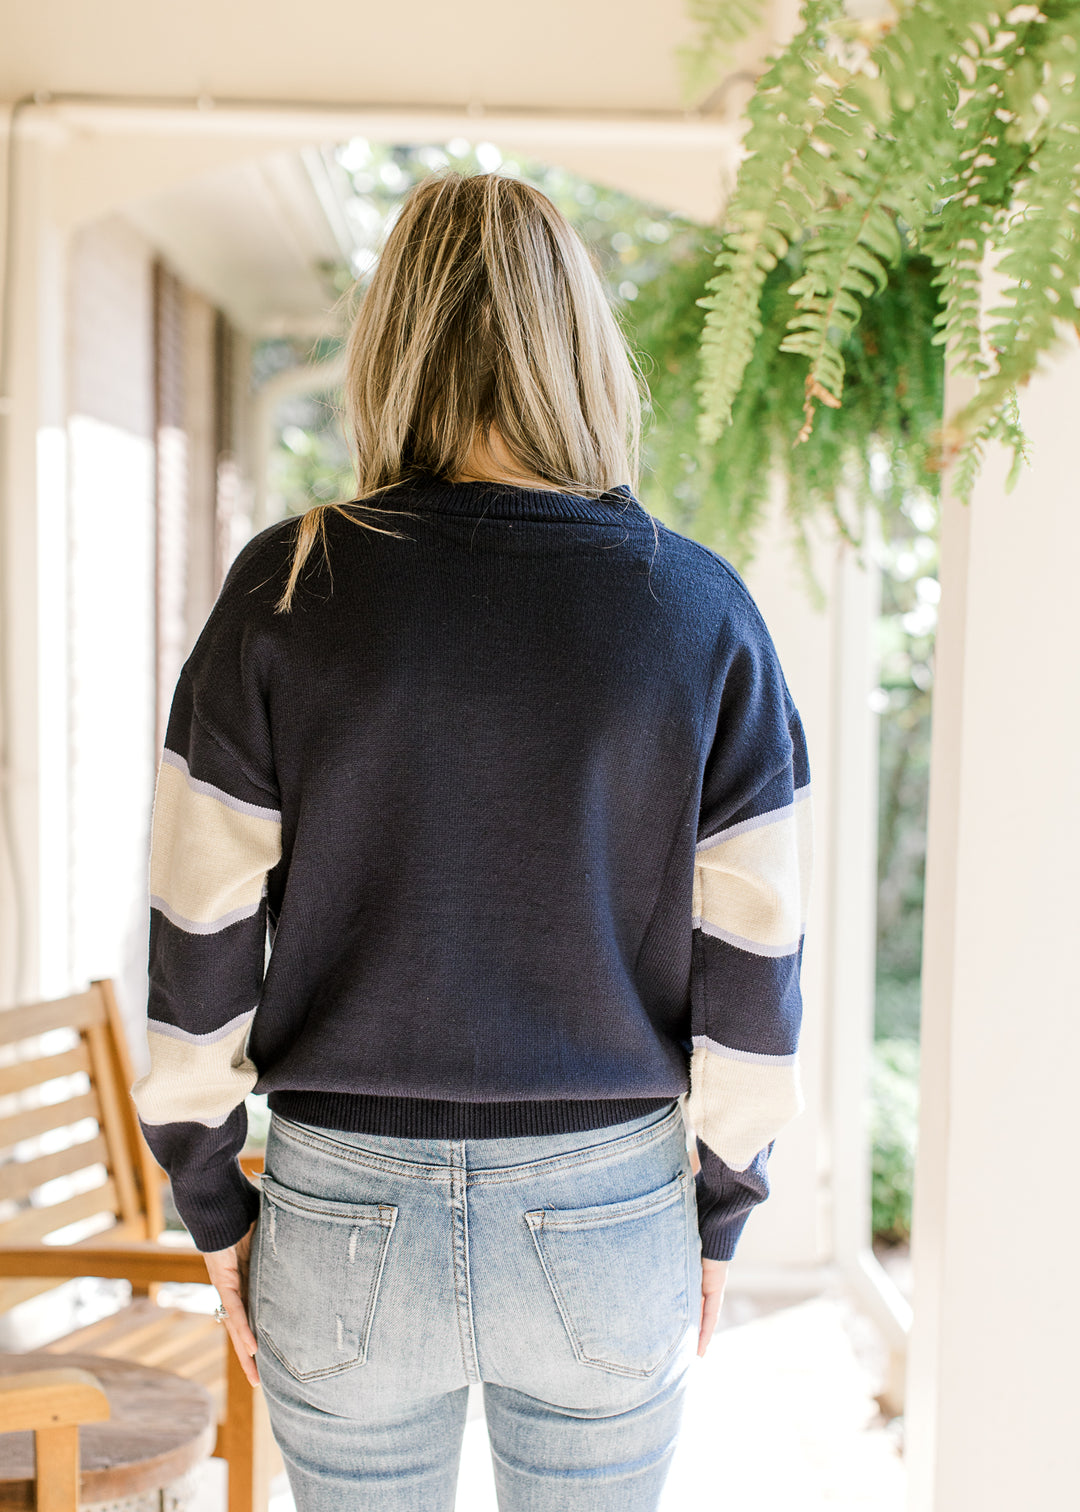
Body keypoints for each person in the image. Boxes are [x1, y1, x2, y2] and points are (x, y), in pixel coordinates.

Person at [132, 169, 812, 1512]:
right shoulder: (699, 613)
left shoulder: (286, 588)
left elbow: (197, 930)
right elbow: (756, 958)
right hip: (609, 1210)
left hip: (340, 1207)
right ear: (584, 353)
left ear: (393, 343)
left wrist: (212, 1202)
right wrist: (722, 1205)